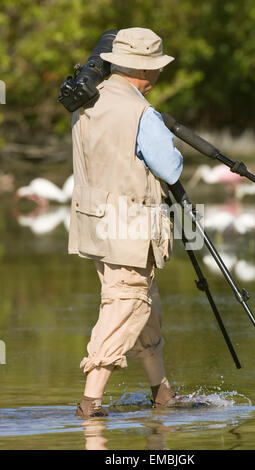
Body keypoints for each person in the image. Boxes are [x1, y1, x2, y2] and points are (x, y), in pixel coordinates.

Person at [68, 27, 183, 418]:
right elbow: (168, 170)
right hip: (129, 224)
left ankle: (161, 392)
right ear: (147, 71)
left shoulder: (85, 99)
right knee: (125, 303)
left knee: (142, 300)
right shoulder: (141, 112)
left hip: (94, 219)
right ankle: (91, 402)